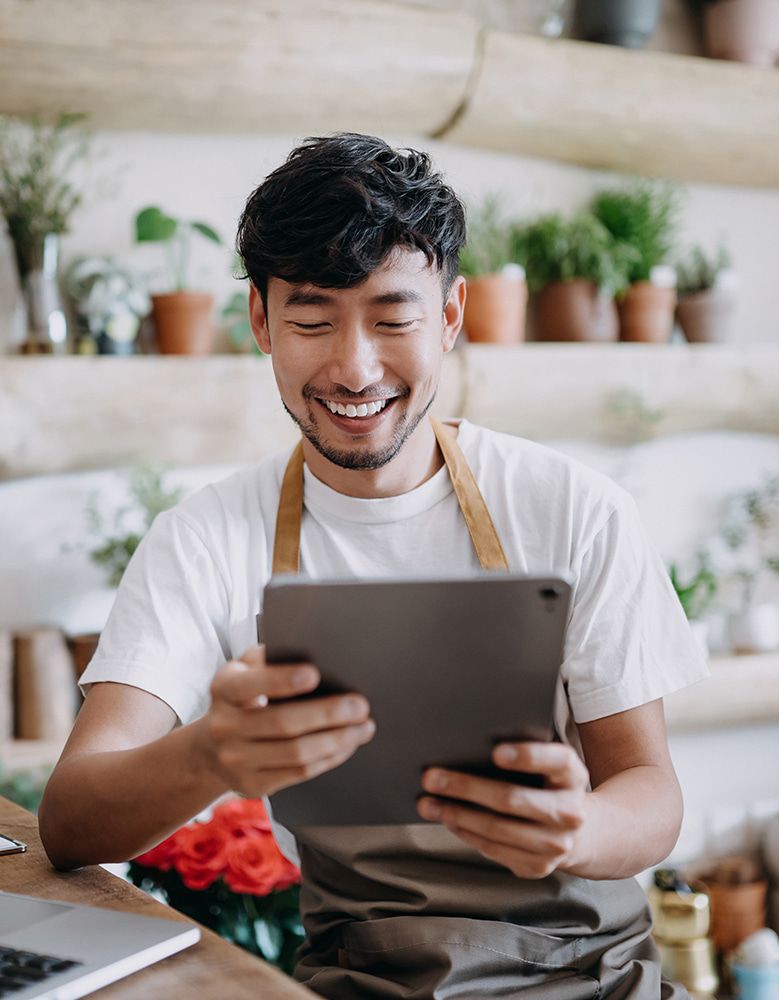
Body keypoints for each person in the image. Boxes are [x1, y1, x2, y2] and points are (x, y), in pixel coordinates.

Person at [38, 134, 707, 999]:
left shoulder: (572, 507)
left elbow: (650, 792)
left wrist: (577, 828)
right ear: (259, 321)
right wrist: (212, 753)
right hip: (364, 981)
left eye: (394, 319)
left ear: (453, 317)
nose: (354, 367)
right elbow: (69, 819)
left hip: (592, 977)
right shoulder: (203, 540)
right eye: (313, 320)